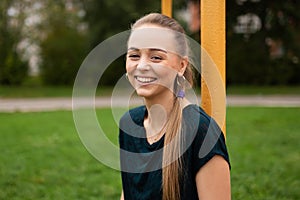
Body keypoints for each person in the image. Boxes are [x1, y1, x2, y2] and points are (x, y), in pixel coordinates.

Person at [119, 13, 230, 200]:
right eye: (134, 55)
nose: (142, 65)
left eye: (156, 57)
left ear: (181, 66)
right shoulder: (129, 124)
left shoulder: (201, 131)